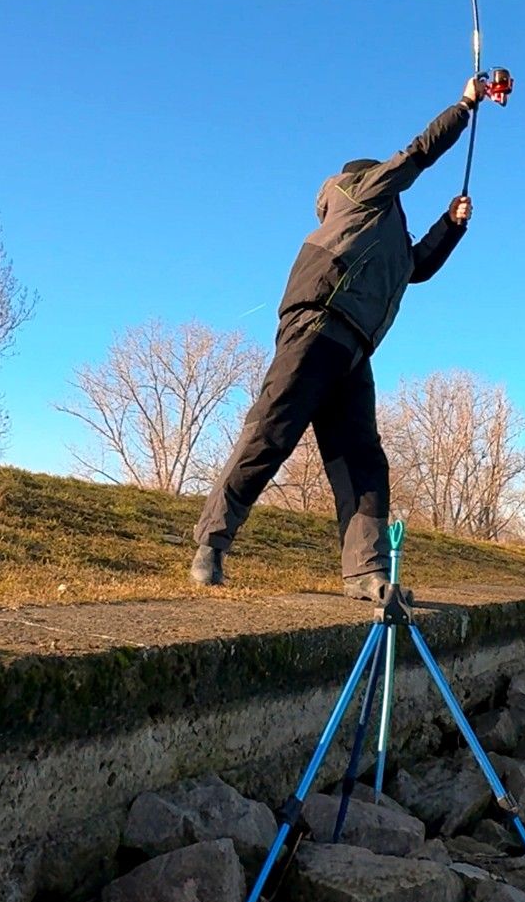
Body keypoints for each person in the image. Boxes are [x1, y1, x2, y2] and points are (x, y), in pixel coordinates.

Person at [190, 76, 499, 602]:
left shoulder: (391, 239)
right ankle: (210, 545)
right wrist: (465, 105)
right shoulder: (357, 194)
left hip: (354, 353)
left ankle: (366, 573)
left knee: (362, 462)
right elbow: (417, 156)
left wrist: (451, 223)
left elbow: (418, 268)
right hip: (316, 327)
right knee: (271, 434)